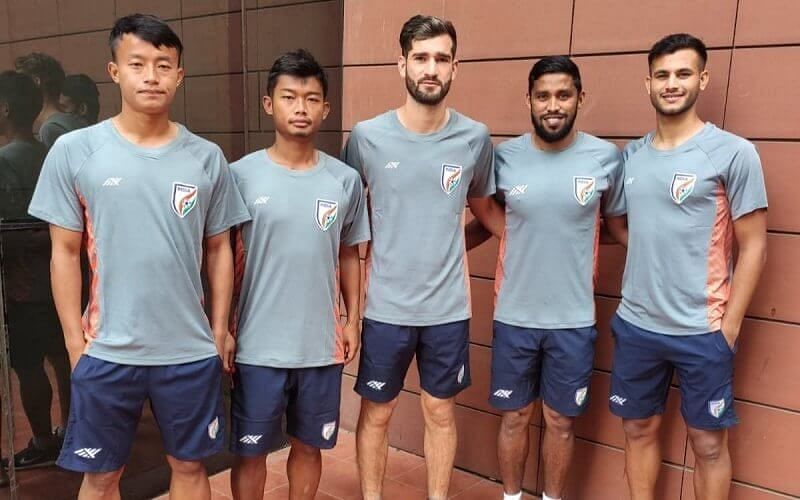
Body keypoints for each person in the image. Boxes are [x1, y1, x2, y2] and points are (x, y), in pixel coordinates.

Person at [27, 14, 250, 500]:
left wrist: (218, 329)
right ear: (115, 71)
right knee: (102, 476)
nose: (151, 75)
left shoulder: (206, 157)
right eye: (138, 63)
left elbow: (219, 250)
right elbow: (63, 253)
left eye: (163, 65)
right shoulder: (75, 151)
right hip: (107, 350)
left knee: (191, 469)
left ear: (179, 75)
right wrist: (73, 344)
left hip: (189, 352)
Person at [342, 14, 496, 500]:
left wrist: (449, 249)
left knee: (440, 412)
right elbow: (347, 223)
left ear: (455, 68)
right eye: (421, 57)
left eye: (441, 59)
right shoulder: (366, 138)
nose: (431, 68)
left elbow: (486, 214)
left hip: (447, 310)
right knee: (378, 412)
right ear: (401, 63)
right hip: (385, 308)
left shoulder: (475, 139)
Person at [609, 33, 767, 500]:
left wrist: (730, 327)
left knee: (708, 443)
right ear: (648, 83)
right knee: (637, 430)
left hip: (703, 330)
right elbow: (619, 222)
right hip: (637, 325)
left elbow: (754, 246)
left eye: (682, 74)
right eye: (662, 75)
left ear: (703, 78)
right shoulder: (631, 157)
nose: (671, 83)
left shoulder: (733, 153)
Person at [464, 56, 627, 500]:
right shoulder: (504, 158)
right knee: (515, 417)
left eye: (563, 94)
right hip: (515, 315)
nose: (552, 105)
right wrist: (440, 250)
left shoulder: (605, 159)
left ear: (579, 98)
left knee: (560, 421)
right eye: (543, 96)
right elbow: (489, 221)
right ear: (529, 100)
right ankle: (512, 497)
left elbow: (614, 230)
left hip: (573, 319)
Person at [228, 49, 370, 500]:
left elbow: (350, 254)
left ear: (326, 108)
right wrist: (221, 327)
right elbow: (219, 258)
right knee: (249, 453)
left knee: (309, 447)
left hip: (319, 346)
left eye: (311, 99)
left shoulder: (344, 181)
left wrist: (352, 320)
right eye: (290, 97)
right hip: (255, 344)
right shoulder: (238, 177)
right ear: (268, 103)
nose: (301, 108)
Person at [0, 70, 72, 476]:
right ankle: (74, 430)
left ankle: (44, 439)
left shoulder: (5, 160)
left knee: (28, 366)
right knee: (62, 357)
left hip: (24, 285)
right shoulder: (48, 153)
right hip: (60, 279)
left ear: (6, 109)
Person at [14, 53, 87, 148]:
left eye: (20, 83)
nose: (16, 90)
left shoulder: (50, 129)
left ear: (36, 81)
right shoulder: (77, 120)